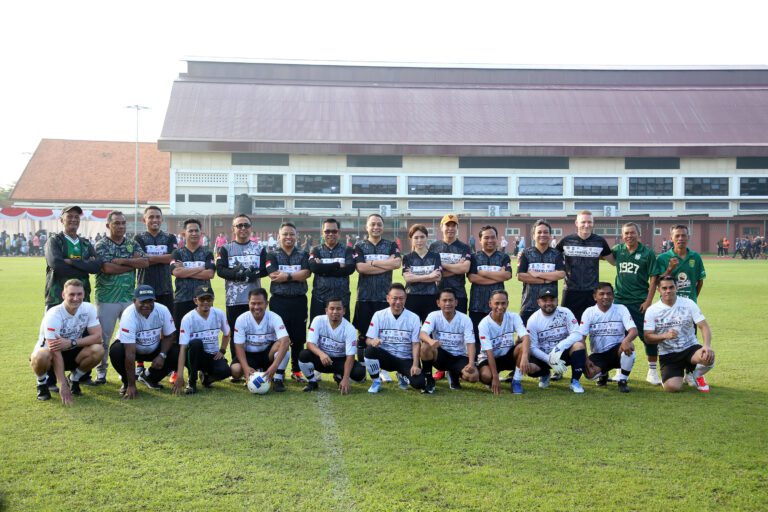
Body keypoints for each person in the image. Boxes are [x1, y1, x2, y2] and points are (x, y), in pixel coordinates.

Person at [93, 211, 148, 385]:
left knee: (130, 336)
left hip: (128, 297)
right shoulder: (101, 245)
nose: (121, 226)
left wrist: (122, 261)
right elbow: (107, 268)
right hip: (107, 298)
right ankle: (101, 372)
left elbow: (144, 262)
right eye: (117, 223)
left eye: (123, 223)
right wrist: (131, 263)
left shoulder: (132, 244)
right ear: (108, 225)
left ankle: (126, 370)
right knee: (104, 338)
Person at [30, 279, 104, 403]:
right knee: (40, 355)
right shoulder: (53, 314)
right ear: (64, 295)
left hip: (72, 350)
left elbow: (97, 337)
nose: (76, 298)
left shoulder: (88, 308)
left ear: (84, 294)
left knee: (98, 350)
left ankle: (74, 379)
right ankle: (42, 384)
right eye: (71, 294)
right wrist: (62, 384)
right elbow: (55, 351)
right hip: (51, 355)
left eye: (79, 294)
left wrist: (71, 343)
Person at [559, 283, 638, 393]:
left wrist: (626, 340)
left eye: (609, 294)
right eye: (602, 294)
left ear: (613, 296)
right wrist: (586, 359)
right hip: (599, 354)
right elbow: (581, 337)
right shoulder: (589, 312)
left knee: (630, 346)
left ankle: (623, 380)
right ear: (595, 297)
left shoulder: (621, 309)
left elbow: (633, 330)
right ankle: (604, 373)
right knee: (589, 374)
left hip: (617, 350)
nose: (606, 296)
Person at [644, 276, 715, 393]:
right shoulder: (652, 310)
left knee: (708, 357)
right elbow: (648, 337)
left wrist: (706, 345)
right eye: (664, 288)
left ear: (676, 288)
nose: (668, 291)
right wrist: (664, 336)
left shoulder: (688, 303)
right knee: (672, 388)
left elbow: (704, 326)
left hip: (690, 348)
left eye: (671, 287)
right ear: (659, 290)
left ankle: (696, 374)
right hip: (668, 354)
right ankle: (671, 377)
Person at [610, 222, 660, 384]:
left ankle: (652, 371)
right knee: (620, 336)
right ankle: (619, 370)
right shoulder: (618, 250)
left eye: (632, 233)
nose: (629, 236)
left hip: (639, 301)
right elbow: (604, 256)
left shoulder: (648, 253)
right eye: (626, 233)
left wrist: (648, 300)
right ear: (622, 235)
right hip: (619, 301)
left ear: (638, 234)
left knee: (648, 336)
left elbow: (654, 278)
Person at [215, 214, 267, 368]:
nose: (243, 228)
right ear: (233, 229)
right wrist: (237, 274)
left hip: (255, 300)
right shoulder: (225, 248)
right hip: (234, 299)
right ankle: (236, 364)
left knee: (256, 333)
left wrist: (254, 274)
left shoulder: (259, 248)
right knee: (235, 332)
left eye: (246, 225)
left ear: (250, 228)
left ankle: (255, 363)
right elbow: (220, 270)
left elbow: (265, 270)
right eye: (239, 225)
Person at [108, 285, 178, 398]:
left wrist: (162, 355)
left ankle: (150, 377)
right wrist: (131, 385)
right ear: (134, 301)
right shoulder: (128, 315)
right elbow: (130, 353)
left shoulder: (162, 310)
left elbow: (169, 336)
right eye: (142, 302)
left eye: (150, 301)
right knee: (116, 351)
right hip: (132, 349)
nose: (147, 305)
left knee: (176, 351)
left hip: (154, 347)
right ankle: (126, 382)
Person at [265, 222, 311, 383]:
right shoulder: (272, 255)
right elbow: (273, 275)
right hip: (279, 301)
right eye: (285, 234)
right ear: (279, 236)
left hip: (299, 300)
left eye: (291, 234)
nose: (288, 237)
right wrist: (294, 275)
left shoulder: (303, 254)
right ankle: (278, 369)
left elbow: (306, 273)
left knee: (298, 338)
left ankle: (296, 370)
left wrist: (288, 277)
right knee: (279, 337)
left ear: (296, 236)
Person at [353, 214, 402, 362]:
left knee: (383, 333)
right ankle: (361, 366)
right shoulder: (359, 246)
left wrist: (372, 264)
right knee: (363, 333)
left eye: (379, 224)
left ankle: (382, 367)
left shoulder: (391, 245)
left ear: (383, 227)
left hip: (384, 297)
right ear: (366, 227)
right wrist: (385, 264)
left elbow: (396, 264)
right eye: (372, 224)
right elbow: (361, 268)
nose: (376, 227)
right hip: (364, 297)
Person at [363, 283, 427, 393]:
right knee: (369, 350)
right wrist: (373, 341)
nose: (398, 302)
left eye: (401, 298)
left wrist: (416, 364)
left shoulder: (414, 318)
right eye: (394, 298)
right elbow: (368, 339)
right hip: (387, 357)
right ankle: (376, 381)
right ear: (388, 298)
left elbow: (416, 344)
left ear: (405, 299)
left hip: (405, 358)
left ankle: (402, 375)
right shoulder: (379, 315)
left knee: (419, 383)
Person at [555, 210, 614, 321]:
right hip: (570, 291)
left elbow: (614, 261)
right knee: (568, 326)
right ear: (576, 223)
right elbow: (551, 257)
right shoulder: (566, 241)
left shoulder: (600, 241)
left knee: (593, 326)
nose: (586, 225)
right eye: (583, 222)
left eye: (589, 222)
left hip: (592, 292)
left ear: (593, 223)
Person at [300, 297, 366, 394]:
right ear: (326, 311)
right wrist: (321, 354)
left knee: (360, 373)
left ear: (344, 311)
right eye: (332, 308)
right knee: (303, 355)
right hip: (321, 359)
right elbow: (310, 344)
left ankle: (339, 376)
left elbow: (350, 356)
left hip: (340, 361)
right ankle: (312, 382)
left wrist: (346, 378)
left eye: (338, 309)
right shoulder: (318, 320)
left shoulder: (349, 328)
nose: (335, 311)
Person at [173, 285, 231, 395]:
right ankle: (192, 381)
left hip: (212, 355)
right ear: (195, 301)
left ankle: (206, 378)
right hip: (193, 356)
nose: (205, 302)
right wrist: (179, 375)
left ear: (213, 300)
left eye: (208, 299)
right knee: (196, 343)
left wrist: (222, 350)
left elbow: (227, 333)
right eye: (202, 299)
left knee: (226, 371)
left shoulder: (219, 314)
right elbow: (183, 347)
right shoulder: (188, 318)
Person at [526, 288, 586, 393]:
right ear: (538, 302)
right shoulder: (533, 320)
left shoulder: (565, 312)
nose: (549, 303)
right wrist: (549, 359)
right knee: (530, 368)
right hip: (544, 356)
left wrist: (559, 348)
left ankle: (575, 381)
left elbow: (577, 334)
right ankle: (545, 374)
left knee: (579, 346)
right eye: (545, 300)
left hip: (562, 353)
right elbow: (532, 347)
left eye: (552, 299)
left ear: (557, 300)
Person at [230, 288, 290, 393]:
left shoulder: (274, 317)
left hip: (267, 354)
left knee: (283, 344)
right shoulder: (241, 319)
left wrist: (274, 366)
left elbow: (285, 341)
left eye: (260, 303)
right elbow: (239, 346)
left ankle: (278, 378)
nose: (256, 307)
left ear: (266, 303)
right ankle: (252, 373)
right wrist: (245, 367)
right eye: (253, 303)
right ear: (248, 303)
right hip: (249, 355)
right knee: (235, 371)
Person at [419, 288, 478, 393]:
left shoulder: (465, 319)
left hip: (459, 357)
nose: (447, 303)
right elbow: (422, 334)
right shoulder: (433, 315)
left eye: (450, 300)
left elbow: (470, 343)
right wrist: (431, 341)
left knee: (473, 377)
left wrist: (471, 363)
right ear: (438, 303)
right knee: (425, 346)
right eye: (444, 300)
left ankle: (453, 374)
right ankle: (428, 379)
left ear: (456, 302)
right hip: (441, 356)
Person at [477, 290, 535, 395]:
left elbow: (526, 337)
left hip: (507, 356)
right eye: (497, 303)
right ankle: (490, 380)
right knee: (486, 376)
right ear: (490, 304)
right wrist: (495, 377)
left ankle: (516, 381)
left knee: (522, 347)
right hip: (489, 358)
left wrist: (525, 357)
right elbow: (489, 352)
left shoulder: (513, 317)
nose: (500, 307)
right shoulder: (484, 324)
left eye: (503, 303)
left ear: (507, 303)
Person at [44, 205, 102, 309]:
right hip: (57, 298)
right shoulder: (54, 241)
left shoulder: (85, 243)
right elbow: (57, 265)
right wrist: (85, 267)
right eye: (70, 216)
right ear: (61, 220)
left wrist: (71, 262)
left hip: (82, 298)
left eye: (76, 217)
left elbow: (96, 267)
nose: (73, 219)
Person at [467, 225, 512, 343]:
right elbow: (472, 278)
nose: (490, 241)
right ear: (480, 240)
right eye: (486, 238)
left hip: (498, 307)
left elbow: (507, 275)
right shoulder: (474, 257)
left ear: (497, 239)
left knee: (498, 339)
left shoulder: (503, 257)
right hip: (476, 306)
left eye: (493, 237)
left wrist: (483, 273)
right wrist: (498, 277)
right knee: (477, 339)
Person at [516, 219, 566, 325]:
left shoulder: (556, 254)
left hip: (550, 305)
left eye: (545, 232)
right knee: (524, 339)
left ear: (550, 235)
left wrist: (537, 274)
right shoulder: (526, 253)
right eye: (539, 232)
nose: (542, 234)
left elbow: (561, 274)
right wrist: (545, 280)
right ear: (533, 235)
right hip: (528, 305)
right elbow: (521, 276)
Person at [308, 218, 355, 322]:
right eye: (327, 231)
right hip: (319, 300)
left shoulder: (348, 250)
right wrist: (338, 264)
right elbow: (314, 268)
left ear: (339, 232)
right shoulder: (315, 250)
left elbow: (349, 269)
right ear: (322, 233)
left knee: (342, 335)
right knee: (317, 335)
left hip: (342, 301)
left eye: (334, 231)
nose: (330, 234)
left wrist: (323, 268)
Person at [171, 219, 216, 329]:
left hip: (204, 300)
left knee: (203, 333)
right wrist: (201, 268)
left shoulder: (207, 253)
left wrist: (185, 270)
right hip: (182, 299)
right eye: (190, 231)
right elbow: (176, 272)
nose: (194, 233)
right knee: (180, 336)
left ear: (201, 233)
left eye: (196, 231)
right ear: (184, 234)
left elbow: (210, 274)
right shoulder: (177, 253)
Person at [134, 206, 178, 313]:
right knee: (145, 322)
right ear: (144, 220)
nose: (155, 220)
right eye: (151, 217)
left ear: (162, 220)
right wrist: (164, 258)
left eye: (158, 217)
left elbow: (173, 258)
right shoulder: (138, 238)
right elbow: (139, 261)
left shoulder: (170, 237)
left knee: (167, 325)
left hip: (165, 289)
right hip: (144, 289)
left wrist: (148, 258)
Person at [429, 214, 472, 315]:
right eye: (447, 225)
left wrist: (441, 264)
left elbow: (465, 268)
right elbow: (433, 272)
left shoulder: (464, 247)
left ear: (457, 228)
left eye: (453, 226)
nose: (450, 228)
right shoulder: (434, 247)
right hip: (438, 294)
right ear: (441, 227)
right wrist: (457, 267)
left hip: (459, 294)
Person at [652, 224, 706, 303]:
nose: (680, 238)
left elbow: (700, 282)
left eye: (683, 235)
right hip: (668, 304)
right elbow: (657, 283)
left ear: (688, 237)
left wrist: (692, 299)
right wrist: (669, 269)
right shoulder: (662, 258)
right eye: (677, 236)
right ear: (671, 238)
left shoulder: (695, 257)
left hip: (689, 304)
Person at [402, 224, 442, 323]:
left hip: (431, 298)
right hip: (412, 298)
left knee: (430, 331)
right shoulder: (407, 258)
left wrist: (415, 276)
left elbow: (437, 277)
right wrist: (429, 276)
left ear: (426, 237)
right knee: (412, 331)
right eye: (416, 237)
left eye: (422, 237)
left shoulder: (435, 256)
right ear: (411, 239)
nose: (419, 240)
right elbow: (408, 279)